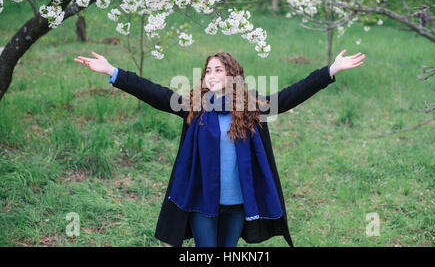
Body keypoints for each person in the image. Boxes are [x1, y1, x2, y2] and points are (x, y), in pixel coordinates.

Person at [74, 50, 365, 247]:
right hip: (203, 202)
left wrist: (330, 70)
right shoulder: (194, 107)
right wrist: (113, 71)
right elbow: (156, 94)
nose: (212, 74)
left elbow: (291, 95)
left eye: (219, 69)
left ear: (233, 76)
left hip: (238, 203)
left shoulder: (251, 107)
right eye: (208, 70)